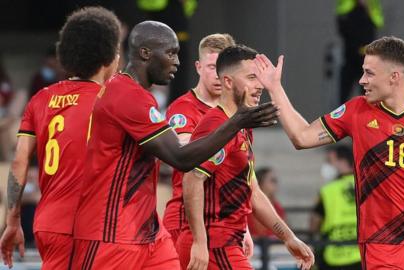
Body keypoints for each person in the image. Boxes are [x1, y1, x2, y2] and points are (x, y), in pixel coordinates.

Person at [254, 36, 404, 269]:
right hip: (381, 243)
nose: (362, 80)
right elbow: (301, 137)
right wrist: (275, 89)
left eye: (370, 73)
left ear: (394, 77)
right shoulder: (356, 111)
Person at [70, 22, 278, 270]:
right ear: (146, 53)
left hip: (148, 231)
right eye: (170, 53)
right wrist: (236, 122)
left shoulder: (138, 95)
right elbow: (181, 159)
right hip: (111, 230)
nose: (177, 62)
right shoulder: (127, 95)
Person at [0, 7, 122, 269]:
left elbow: (20, 163)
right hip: (93, 227)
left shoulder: (41, 99)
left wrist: (12, 220)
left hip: (49, 224)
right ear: (110, 58)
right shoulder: (112, 101)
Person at [176, 45, 314, 270]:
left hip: (226, 243)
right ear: (228, 82)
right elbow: (192, 179)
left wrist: (288, 237)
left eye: (259, 78)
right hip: (215, 246)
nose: (259, 85)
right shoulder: (217, 126)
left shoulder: (242, 126)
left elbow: (254, 191)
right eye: (251, 77)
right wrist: (201, 242)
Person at [162, 33, 236, 240]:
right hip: (184, 221)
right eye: (212, 67)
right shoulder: (183, 109)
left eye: (224, 67)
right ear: (198, 67)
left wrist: (244, 228)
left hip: (222, 221)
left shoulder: (234, 113)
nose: (219, 74)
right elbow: (187, 156)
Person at [311, 145, 361, 270]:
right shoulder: (365, 186)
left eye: (329, 161)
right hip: (361, 254)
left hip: (333, 256)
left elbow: (314, 225)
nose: (327, 166)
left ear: (342, 161)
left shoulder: (328, 191)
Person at [336, 0, 383, 104]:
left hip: (366, 57)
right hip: (351, 56)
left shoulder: (371, 10)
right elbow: (343, 27)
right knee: (344, 92)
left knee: (368, 91)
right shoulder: (347, 10)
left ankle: (367, 115)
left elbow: (377, 23)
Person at [247, 167, 286, 238]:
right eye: (273, 181)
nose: (276, 184)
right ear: (260, 183)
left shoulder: (277, 207)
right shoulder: (247, 205)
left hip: (272, 245)